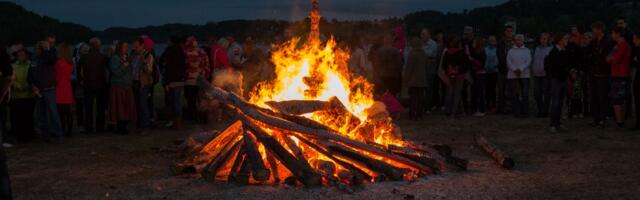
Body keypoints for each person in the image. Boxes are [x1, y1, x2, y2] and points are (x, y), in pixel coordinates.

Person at [28, 41, 63, 142]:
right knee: (41, 115)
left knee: (53, 113)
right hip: (38, 91)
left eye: (39, 48)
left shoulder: (48, 58)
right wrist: (32, 85)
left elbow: (52, 58)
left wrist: (47, 49)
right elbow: (30, 75)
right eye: (36, 48)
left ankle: (58, 135)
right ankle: (45, 135)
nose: (37, 50)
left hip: (49, 89)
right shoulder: (34, 60)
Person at [79, 38, 108, 133]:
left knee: (88, 108)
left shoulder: (83, 57)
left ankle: (89, 127)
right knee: (100, 107)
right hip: (100, 85)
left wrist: (81, 81)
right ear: (98, 45)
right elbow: (107, 71)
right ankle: (100, 127)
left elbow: (79, 72)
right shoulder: (103, 57)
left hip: (88, 85)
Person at [588, 22, 615, 129]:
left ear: (599, 29)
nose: (593, 31)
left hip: (603, 73)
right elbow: (589, 54)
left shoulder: (608, 42)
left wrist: (599, 60)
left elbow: (607, 57)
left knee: (602, 97)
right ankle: (596, 119)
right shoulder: (593, 42)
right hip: (594, 73)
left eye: (594, 29)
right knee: (594, 97)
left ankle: (603, 119)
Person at [108, 41, 136, 134]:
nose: (126, 48)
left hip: (127, 86)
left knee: (126, 107)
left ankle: (124, 126)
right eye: (124, 47)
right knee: (119, 107)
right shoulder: (115, 58)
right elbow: (116, 72)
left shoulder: (126, 57)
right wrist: (125, 65)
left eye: (127, 46)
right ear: (119, 48)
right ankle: (120, 127)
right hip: (119, 86)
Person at [546, 33, 572, 133]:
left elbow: (567, 64)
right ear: (560, 40)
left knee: (560, 102)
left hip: (563, 79)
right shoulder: (554, 52)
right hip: (556, 79)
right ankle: (553, 124)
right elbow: (551, 66)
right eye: (565, 39)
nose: (567, 41)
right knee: (555, 102)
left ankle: (558, 123)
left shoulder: (565, 51)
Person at [9, 48, 35, 143]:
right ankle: (20, 136)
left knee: (28, 117)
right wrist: (19, 86)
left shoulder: (30, 65)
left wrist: (28, 85)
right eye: (20, 55)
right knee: (18, 118)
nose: (22, 57)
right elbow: (11, 79)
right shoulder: (13, 66)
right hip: (17, 97)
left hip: (29, 96)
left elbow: (33, 77)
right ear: (16, 56)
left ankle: (29, 136)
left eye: (24, 55)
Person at [160, 36, 186, 129]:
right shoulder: (181, 52)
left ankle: (176, 122)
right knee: (177, 101)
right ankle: (178, 122)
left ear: (171, 42)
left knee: (173, 102)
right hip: (180, 80)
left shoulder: (170, 51)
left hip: (172, 80)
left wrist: (166, 82)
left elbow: (169, 68)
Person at [608, 27, 632, 128]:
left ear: (618, 34)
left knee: (617, 99)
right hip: (620, 74)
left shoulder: (622, 45)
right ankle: (621, 120)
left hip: (619, 75)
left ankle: (620, 121)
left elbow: (613, 60)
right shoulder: (620, 45)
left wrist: (611, 58)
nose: (612, 35)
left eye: (613, 33)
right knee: (619, 98)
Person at [183, 36, 210, 123]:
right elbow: (207, 65)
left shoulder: (186, 53)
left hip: (189, 80)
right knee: (201, 100)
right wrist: (205, 75)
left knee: (191, 100)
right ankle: (203, 118)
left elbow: (184, 66)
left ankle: (193, 118)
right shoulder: (202, 52)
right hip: (201, 80)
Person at [131, 38, 155, 130]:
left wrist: (144, 61)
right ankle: (139, 124)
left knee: (143, 105)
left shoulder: (148, 56)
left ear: (142, 46)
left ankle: (145, 126)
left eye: (136, 46)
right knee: (137, 105)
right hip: (135, 82)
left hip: (143, 84)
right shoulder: (133, 55)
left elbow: (149, 71)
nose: (134, 48)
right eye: (133, 46)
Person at [506, 34, 532, 118]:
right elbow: (508, 61)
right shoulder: (511, 51)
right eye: (517, 39)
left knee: (525, 94)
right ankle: (516, 111)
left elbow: (528, 61)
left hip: (524, 74)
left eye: (521, 40)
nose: (519, 41)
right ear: (514, 40)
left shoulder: (527, 50)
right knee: (515, 94)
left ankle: (524, 111)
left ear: (523, 41)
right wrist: (514, 69)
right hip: (513, 75)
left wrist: (520, 69)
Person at [442, 37, 468, 118]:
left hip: (450, 75)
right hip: (460, 75)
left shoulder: (447, 52)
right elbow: (465, 65)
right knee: (457, 93)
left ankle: (448, 110)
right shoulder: (461, 52)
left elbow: (443, 65)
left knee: (450, 92)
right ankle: (454, 113)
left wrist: (448, 70)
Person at [404, 37, 428, 120]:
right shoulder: (424, 54)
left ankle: (412, 114)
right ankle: (419, 114)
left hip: (413, 81)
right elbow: (426, 66)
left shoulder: (412, 54)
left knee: (413, 98)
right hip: (422, 80)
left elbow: (409, 68)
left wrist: (406, 79)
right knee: (420, 98)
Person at [55, 44, 74, 137]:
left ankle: (62, 129)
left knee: (61, 112)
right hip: (67, 87)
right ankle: (69, 131)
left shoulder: (58, 63)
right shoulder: (70, 62)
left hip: (60, 87)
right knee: (68, 112)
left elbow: (57, 77)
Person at [532, 33, 553, 118]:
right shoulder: (536, 49)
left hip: (546, 75)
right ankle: (540, 109)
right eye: (542, 38)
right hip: (536, 74)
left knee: (546, 93)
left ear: (548, 40)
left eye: (545, 39)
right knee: (537, 93)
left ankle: (545, 111)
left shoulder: (550, 49)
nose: (544, 40)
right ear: (539, 40)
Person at [497, 26, 515, 114]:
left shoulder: (515, 43)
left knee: (511, 89)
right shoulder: (500, 43)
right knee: (501, 89)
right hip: (502, 69)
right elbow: (500, 56)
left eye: (511, 31)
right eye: (508, 31)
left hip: (512, 69)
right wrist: (508, 54)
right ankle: (501, 108)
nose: (509, 33)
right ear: (505, 32)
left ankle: (510, 107)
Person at [469, 37, 487, 117]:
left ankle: (481, 109)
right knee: (474, 92)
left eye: (474, 42)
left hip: (480, 74)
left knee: (480, 92)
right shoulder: (474, 52)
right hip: (475, 74)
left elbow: (481, 64)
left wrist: (472, 60)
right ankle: (474, 108)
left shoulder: (482, 52)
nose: (473, 44)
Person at [484, 35, 499, 113]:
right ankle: (487, 105)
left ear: (495, 42)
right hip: (486, 72)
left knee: (493, 89)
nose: (491, 42)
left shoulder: (497, 50)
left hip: (494, 72)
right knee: (487, 89)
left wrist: (495, 66)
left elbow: (498, 60)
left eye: (493, 40)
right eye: (490, 40)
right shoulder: (485, 50)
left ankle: (493, 105)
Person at [631, 33, 640, 130]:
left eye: (635, 39)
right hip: (637, 78)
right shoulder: (636, 49)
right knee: (637, 101)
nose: (633, 41)